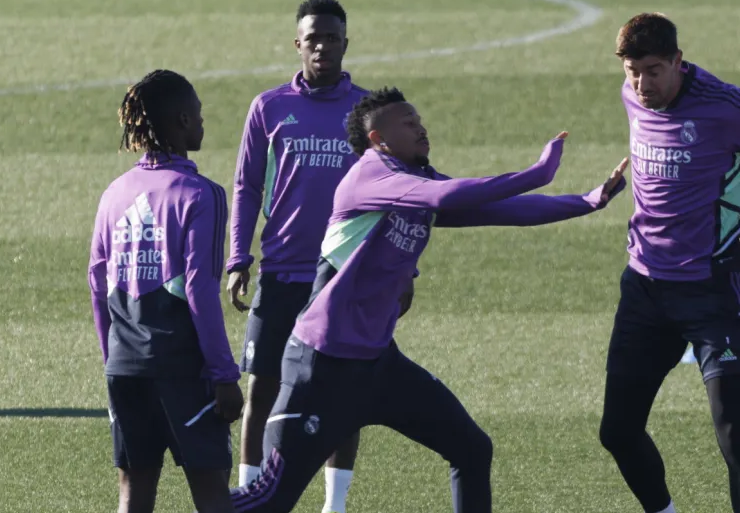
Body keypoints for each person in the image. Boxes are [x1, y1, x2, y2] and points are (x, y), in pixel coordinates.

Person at [228, 87, 629, 512]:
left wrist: (589, 201)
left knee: (472, 449)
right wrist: (537, 171)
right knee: (270, 501)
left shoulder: (417, 180)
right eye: (409, 123)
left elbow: (502, 209)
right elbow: (447, 197)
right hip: (321, 370)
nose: (422, 129)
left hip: (378, 366)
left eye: (420, 121)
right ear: (378, 139)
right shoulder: (369, 176)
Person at [599, 13, 740, 513]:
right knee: (618, 431)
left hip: (716, 287)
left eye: (653, 70)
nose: (641, 83)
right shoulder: (631, 95)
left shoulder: (726, 106)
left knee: (737, 441)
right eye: (632, 71)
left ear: (678, 60)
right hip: (645, 287)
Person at [225, 0, 372, 513]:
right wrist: (238, 257)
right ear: (298, 45)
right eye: (313, 38)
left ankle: (335, 507)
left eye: (332, 38)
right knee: (261, 389)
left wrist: (404, 272)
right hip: (282, 271)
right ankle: (245, 496)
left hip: (345, 277)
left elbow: (402, 193)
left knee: (342, 397)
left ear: (345, 43)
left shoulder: (369, 110)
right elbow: (245, 186)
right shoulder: (269, 107)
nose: (322, 47)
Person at [88, 70, 245, 513]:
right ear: (181, 120)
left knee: (133, 493)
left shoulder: (113, 194)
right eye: (198, 114)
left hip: (124, 369)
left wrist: (111, 360)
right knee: (212, 493)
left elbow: (97, 285)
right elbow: (199, 289)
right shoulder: (202, 195)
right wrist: (224, 375)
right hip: (182, 371)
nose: (202, 122)